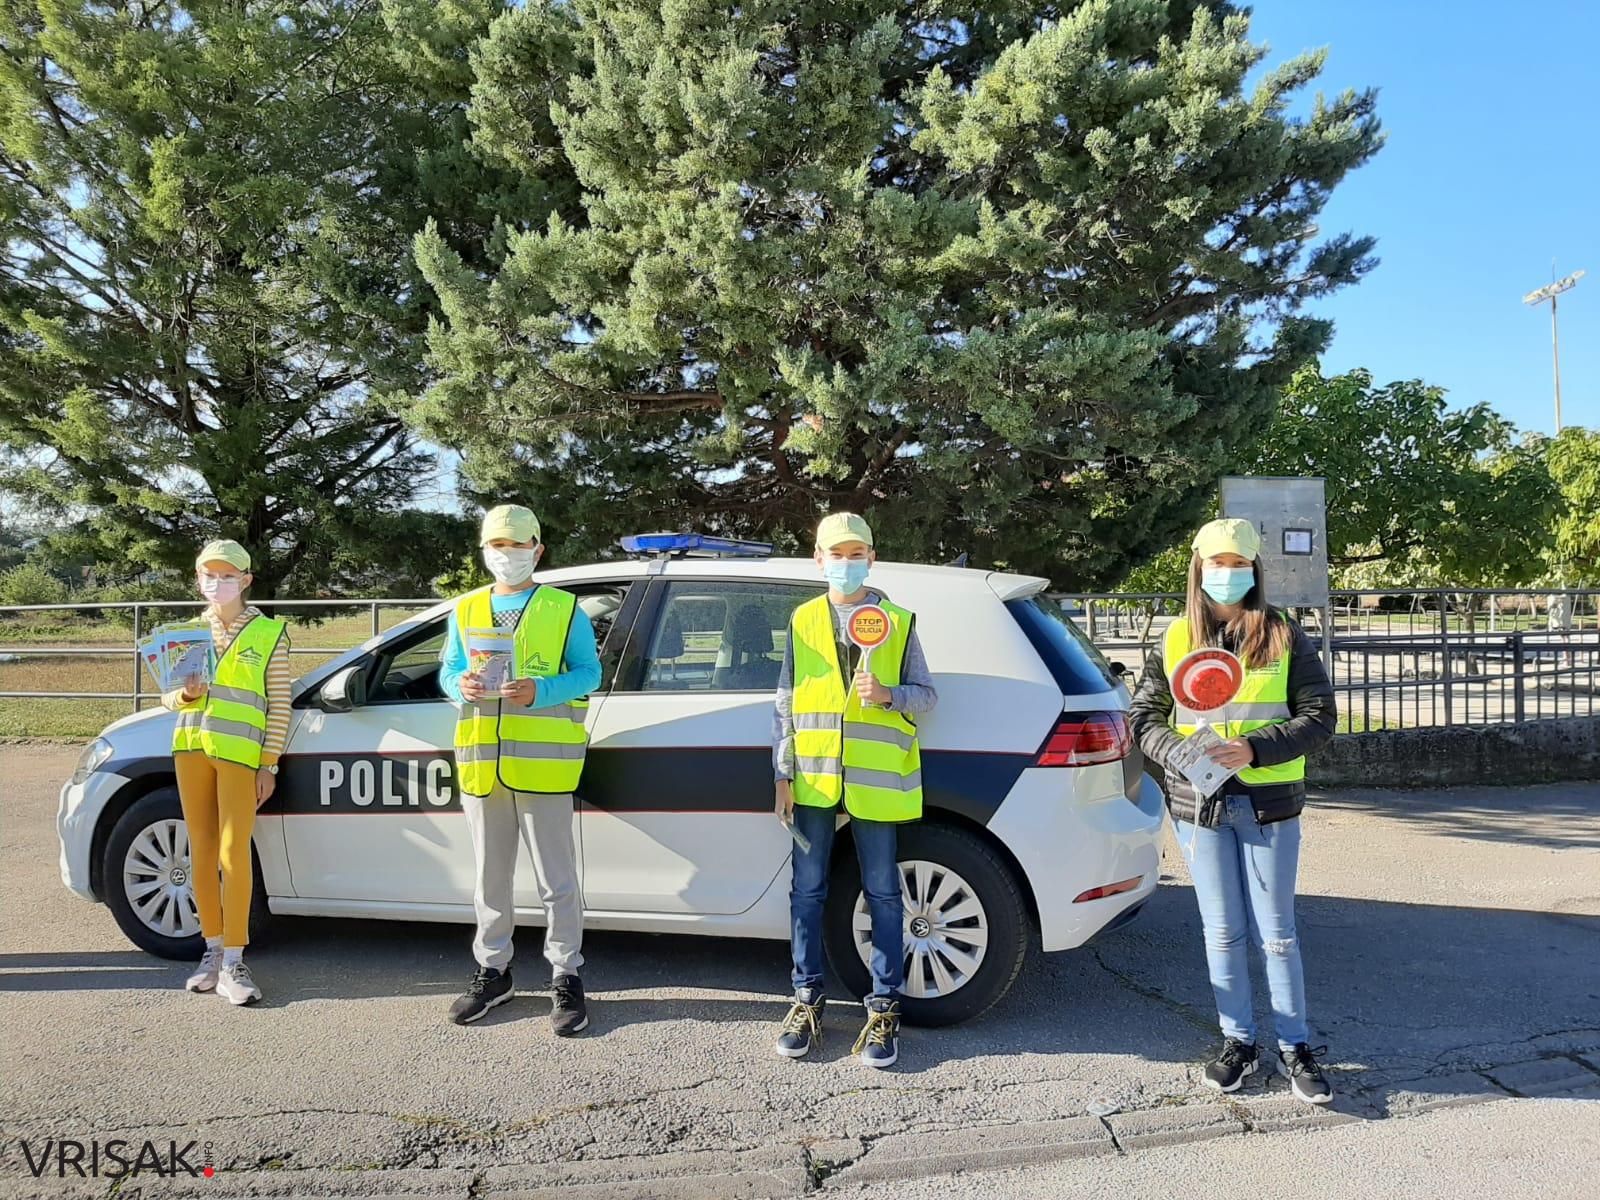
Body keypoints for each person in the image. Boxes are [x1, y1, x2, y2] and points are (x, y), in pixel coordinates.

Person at [1128, 518, 1338, 1104]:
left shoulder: (1283, 634)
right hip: (1199, 806)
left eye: (1239, 563)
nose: (1228, 574)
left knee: (1277, 936)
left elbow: (1320, 718)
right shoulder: (1173, 638)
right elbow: (1143, 720)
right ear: (1198, 569)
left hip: (1268, 805)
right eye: (1216, 563)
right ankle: (1238, 1042)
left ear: (1255, 570)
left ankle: (1295, 1046)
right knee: (1221, 933)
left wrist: (1252, 748)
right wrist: (1182, 755)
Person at [771, 512, 938, 1068]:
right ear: (818, 560)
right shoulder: (801, 620)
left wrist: (888, 693)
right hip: (814, 778)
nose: (845, 563)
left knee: (885, 894)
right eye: (834, 554)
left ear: (872, 556)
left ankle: (884, 1008)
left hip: (875, 780)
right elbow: (786, 703)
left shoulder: (899, 620)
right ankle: (806, 998)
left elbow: (927, 696)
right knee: (808, 891)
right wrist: (782, 772)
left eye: (855, 552)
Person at [438, 504, 602, 1035]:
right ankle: (493, 970)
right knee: (490, 876)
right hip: (483, 762)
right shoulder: (464, 609)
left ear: (537, 549)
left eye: (514, 545)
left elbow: (589, 673)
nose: (504, 554)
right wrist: (457, 684)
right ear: (484, 550)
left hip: (544, 765)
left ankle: (565, 973)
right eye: (495, 545)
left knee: (557, 880)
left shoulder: (562, 609)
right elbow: (448, 669)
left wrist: (540, 690)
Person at [164, 539, 290, 1005]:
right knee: (200, 851)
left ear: (246, 580)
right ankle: (212, 950)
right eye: (208, 575)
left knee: (235, 853)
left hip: (240, 755)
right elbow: (168, 697)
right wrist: (187, 695)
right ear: (197, 579)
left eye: (227, 575)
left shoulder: (269, 633)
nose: (217, 583)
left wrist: (268, 762)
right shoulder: (185, 633)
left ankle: (235, 959)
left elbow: (280, 705)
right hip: (190, 749)